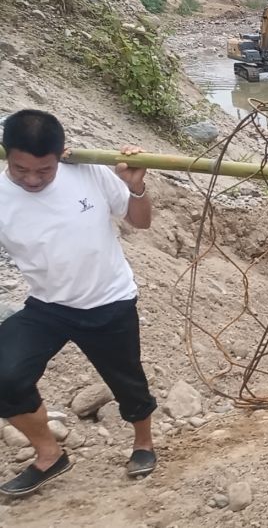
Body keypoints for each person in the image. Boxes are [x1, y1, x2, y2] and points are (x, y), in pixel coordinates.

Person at [0, 110, 159, 497]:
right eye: (21, 169)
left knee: (128, 382)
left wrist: (135, 187)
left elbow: (140, 222)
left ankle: (143, 443)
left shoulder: (88, 170)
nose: (33, 179)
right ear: (6, 155)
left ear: (60, 155)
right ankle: (49, 454)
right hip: (47, 306)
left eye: (44, 170)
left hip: (108, 299)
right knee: (5, 376)